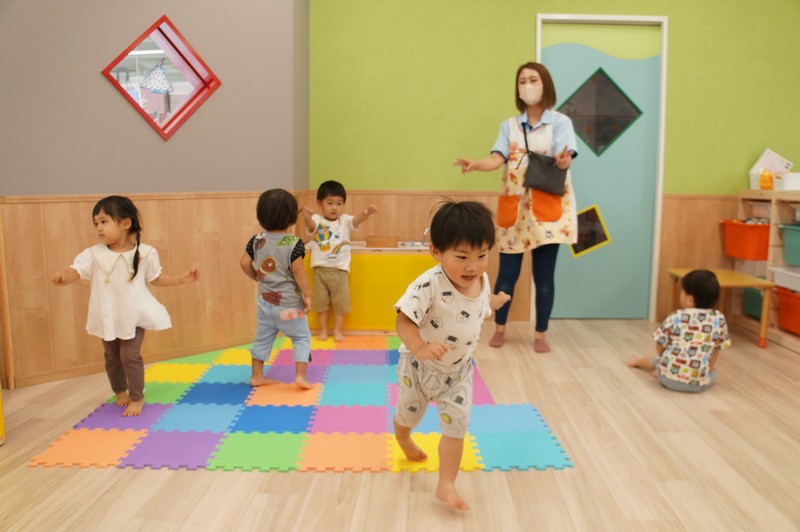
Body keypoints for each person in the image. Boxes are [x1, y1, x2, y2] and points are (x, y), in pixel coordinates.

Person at [393, 200, 510, 510]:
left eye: (482, 255)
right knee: (408, 415)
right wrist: (419, 347)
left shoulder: (481, 280)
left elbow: (478, 306)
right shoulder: (428, 285)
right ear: (436, 251)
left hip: (458, 372)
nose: (473, 266)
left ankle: (446, 484)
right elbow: (404, 320)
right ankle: (403, 437)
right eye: (462, 257)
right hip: (418, 367)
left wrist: (493, 301)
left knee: (456, 427)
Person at [454, 62, 579, 353]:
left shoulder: (560, 122)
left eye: (533, 79)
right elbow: (496, 158)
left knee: (544, 279)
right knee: (506, 276)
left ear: (545, 84)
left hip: (548, 212)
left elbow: (566, 156)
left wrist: (563, 161)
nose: (527, 85)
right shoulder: (508, 126)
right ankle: (499, 328)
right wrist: (475, 164)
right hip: (515, 209)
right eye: (522, 81)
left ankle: (540, 333)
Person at [51, 195, 199, 416]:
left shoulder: (145, 253)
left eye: (104, 221)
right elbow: (76, 270)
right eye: (96, 223)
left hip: (134, 315)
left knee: (129, 356)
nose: (99, 228)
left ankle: (137, 396)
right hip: (107, 316)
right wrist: (63, 277)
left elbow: (156, 278)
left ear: (125, 223)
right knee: (112, 358)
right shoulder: (94, 254)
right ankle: (120, 390)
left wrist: (180, 278)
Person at [241, 189, 314, 389]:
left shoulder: (256, 240)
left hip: (265, 304)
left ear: (261, 216)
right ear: (291, 218)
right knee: (301, 337)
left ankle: (257, 376)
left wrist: (256, 276)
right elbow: (297, 270)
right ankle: (300, 376)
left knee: (263, 337)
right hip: (290, 305)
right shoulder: (294, 243)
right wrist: (307, 294)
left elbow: (244, 263)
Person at [628, 269, 730, 392]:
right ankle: (662, 370)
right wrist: (708, 369)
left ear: (690, 299)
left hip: (667, 379)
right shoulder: (719, 319)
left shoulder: (675, 316)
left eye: (682, 291)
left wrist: (664, 359)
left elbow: (660, 344)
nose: (680, 294)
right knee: (714, 374)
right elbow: (716, 350)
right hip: (697, 385)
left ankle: (639, 362)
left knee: (658, 360)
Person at [301, 180, 377, 341]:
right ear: (320, 203)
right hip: (320, 269)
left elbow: (356, 220)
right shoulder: (317, 219)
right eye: (330, 203)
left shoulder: (344, 220)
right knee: (321, 303)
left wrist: (366, 213)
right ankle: (323, 330)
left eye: (339, 203)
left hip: (340, 270)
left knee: (340, 303)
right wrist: (307, 217)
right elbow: (311, 225)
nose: (334, 207)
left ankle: (337, 330)